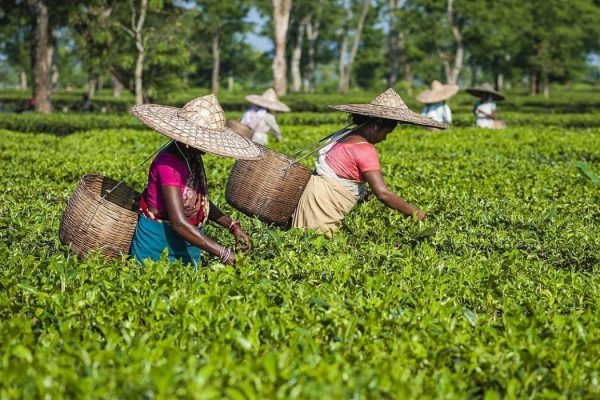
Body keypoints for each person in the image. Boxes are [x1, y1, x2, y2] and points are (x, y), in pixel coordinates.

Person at [129, 94, 263, 267]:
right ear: (187, 141)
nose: (205, 151)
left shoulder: (190, 156)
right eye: (202, 144)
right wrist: (223, 253)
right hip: (157, 249)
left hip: (187, 243)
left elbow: (201, 200)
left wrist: (232, 226)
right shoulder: (168, 165)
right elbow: (178, 223)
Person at [292, 88, 447, 236]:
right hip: (323, 210)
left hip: (311, 201)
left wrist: (364, 194)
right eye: (386, 132)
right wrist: (417, 213)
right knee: (318, 245)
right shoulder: (365, 149)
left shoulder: (344, 135)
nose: (385, 138)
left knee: (305, 241)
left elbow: (343, 175)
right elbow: (383, 194)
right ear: (377, 124)